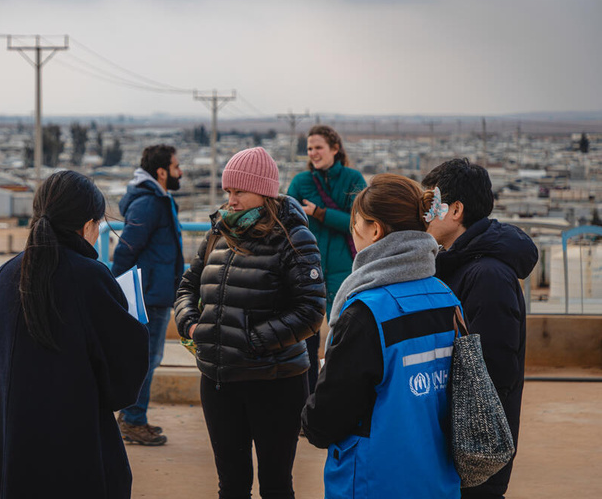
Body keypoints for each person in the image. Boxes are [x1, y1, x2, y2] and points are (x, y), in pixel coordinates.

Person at [0, 170, 150, 499]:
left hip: (10, 458)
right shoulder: (90, 277)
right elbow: (123, 383)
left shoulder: (9, 274)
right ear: (87, 226)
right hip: (75, 458)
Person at [174, 147, 326, 498]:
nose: (232, 200)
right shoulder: (218, 233)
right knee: (231, 485)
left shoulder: (293, 237)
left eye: (239, 191)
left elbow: (311, 310)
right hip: (218, 380)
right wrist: (191, 326)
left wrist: (251, 341)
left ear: (264, 192)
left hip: (274, 382)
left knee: (274, 485)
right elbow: (187, 286)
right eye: (228, 192)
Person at [301, 173, 462, 498]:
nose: (353, 234)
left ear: (375, 230)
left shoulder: (365, 313)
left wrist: (308, 415)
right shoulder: (447, 299)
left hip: (373, 480)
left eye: (355, 225)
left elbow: (326, 419)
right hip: (438, 480)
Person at [422, 158, 538, 499]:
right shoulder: (461, 264)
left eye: (431, 205)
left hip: (476, 448)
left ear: (455, 210)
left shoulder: (487, 276)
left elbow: (493, 375)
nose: (425, 215)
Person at [111, 144, 184, 446]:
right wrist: (116, 290)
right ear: (162, 171)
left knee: (147, 358)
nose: (181, 172)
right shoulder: (150, 202)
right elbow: (125, 250)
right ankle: (133, 420)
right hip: (147, 295)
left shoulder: (160, 199)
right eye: (177, 166)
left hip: (155, 292)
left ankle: (132, 418)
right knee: (147, 360)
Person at [286, 125, 366, 395]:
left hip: (344, 270)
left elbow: (359, 223)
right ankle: (306, 401)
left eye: (319, 147)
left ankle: (336, 400)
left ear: (335, 149)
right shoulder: (300, 182)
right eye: (310, 148)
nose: (313, 153)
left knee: (343, 338)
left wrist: (320, 213)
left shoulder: (353, 179)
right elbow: (286, 223)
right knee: (305, 340)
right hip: (307, 267)